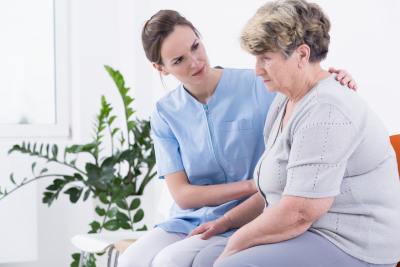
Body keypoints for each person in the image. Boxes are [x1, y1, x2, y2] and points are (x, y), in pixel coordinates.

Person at [117, 8, 357, 267]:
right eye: (179, 60)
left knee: (169, 261)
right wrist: (256, 184)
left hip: (250, 213)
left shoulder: (259, 85)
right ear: (160, 68)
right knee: (131, 259)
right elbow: (184, 196)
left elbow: (309, 93)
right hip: (187, 219)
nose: (195, 62)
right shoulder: (165, 112)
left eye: (196, 47)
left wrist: (335, 78)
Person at [189, 1, 400, 267]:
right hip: (310, 231)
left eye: (266, 58)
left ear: (302, 55)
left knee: (229, 264)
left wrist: (235, 244)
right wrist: (225, 223)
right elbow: (277, 190)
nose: (257, 70)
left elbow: (300, 212)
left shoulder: (327, 108)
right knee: (204, 258)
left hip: (352, 243)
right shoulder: (285, 99)